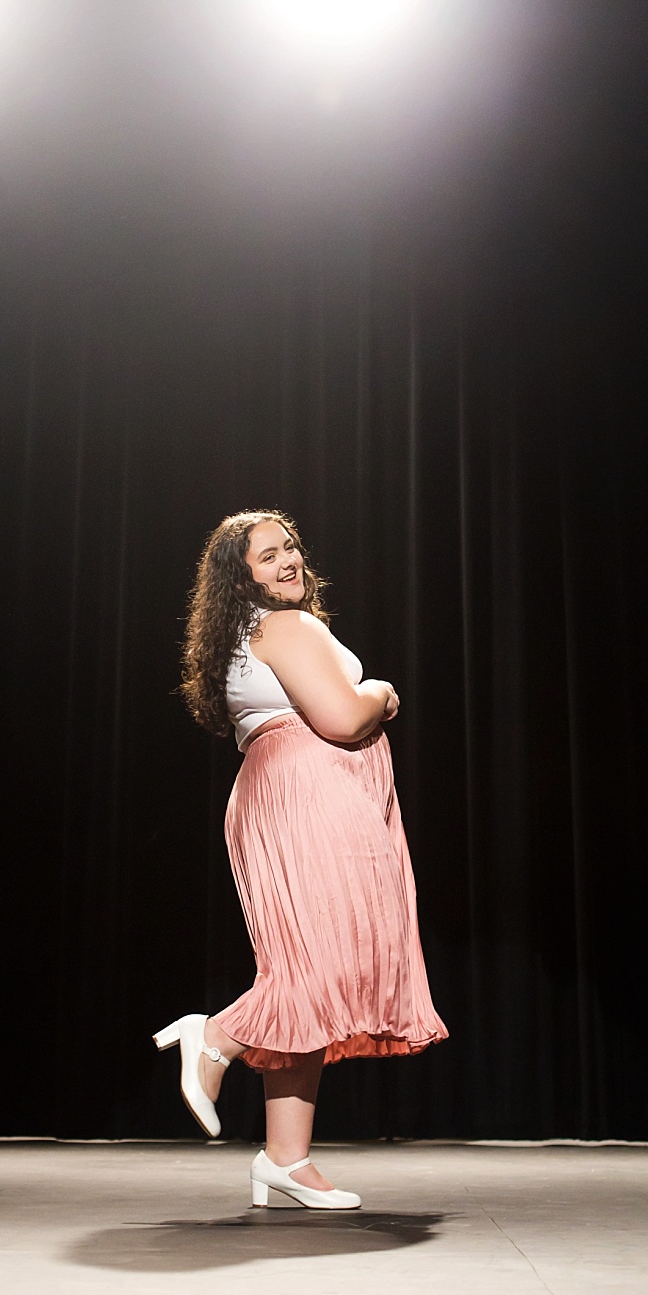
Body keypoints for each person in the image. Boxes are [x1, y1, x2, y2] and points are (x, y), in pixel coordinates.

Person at [155, 509, 447, 1209]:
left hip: (279, 793)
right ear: (241, 577)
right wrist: (379, 691)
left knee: (308, 969)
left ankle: (285, 1156)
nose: (287, 560)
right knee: (325, 965)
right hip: (305, 794)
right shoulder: (286, 627)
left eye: (289, 546)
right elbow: (343, 719)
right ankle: (216, 1035)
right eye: (266, 555)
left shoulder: (252, 633)